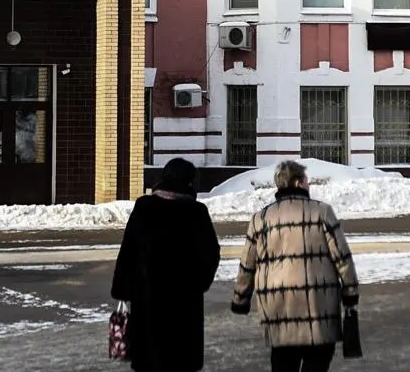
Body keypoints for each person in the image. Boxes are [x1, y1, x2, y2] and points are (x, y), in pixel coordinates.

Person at [230, 160, 360, 372]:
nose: (309, 185)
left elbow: (247, 264)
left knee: (283, 363)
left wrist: (240, 299)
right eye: (307, 181)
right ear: (298, 183)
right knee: (317, 362)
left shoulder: (260, 219)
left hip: (278, 307)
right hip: (319, 307)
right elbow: (342, 257)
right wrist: (350, 293)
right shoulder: (322, 212)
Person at [110, 158, 222, 372]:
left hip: (147, 300)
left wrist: (123, 289)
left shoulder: (144, 207)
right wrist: (198, 284)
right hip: (185, 304)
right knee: (180, 360)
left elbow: (128, 250)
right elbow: (211, 254)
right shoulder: (196, 212)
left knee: (149, 358)